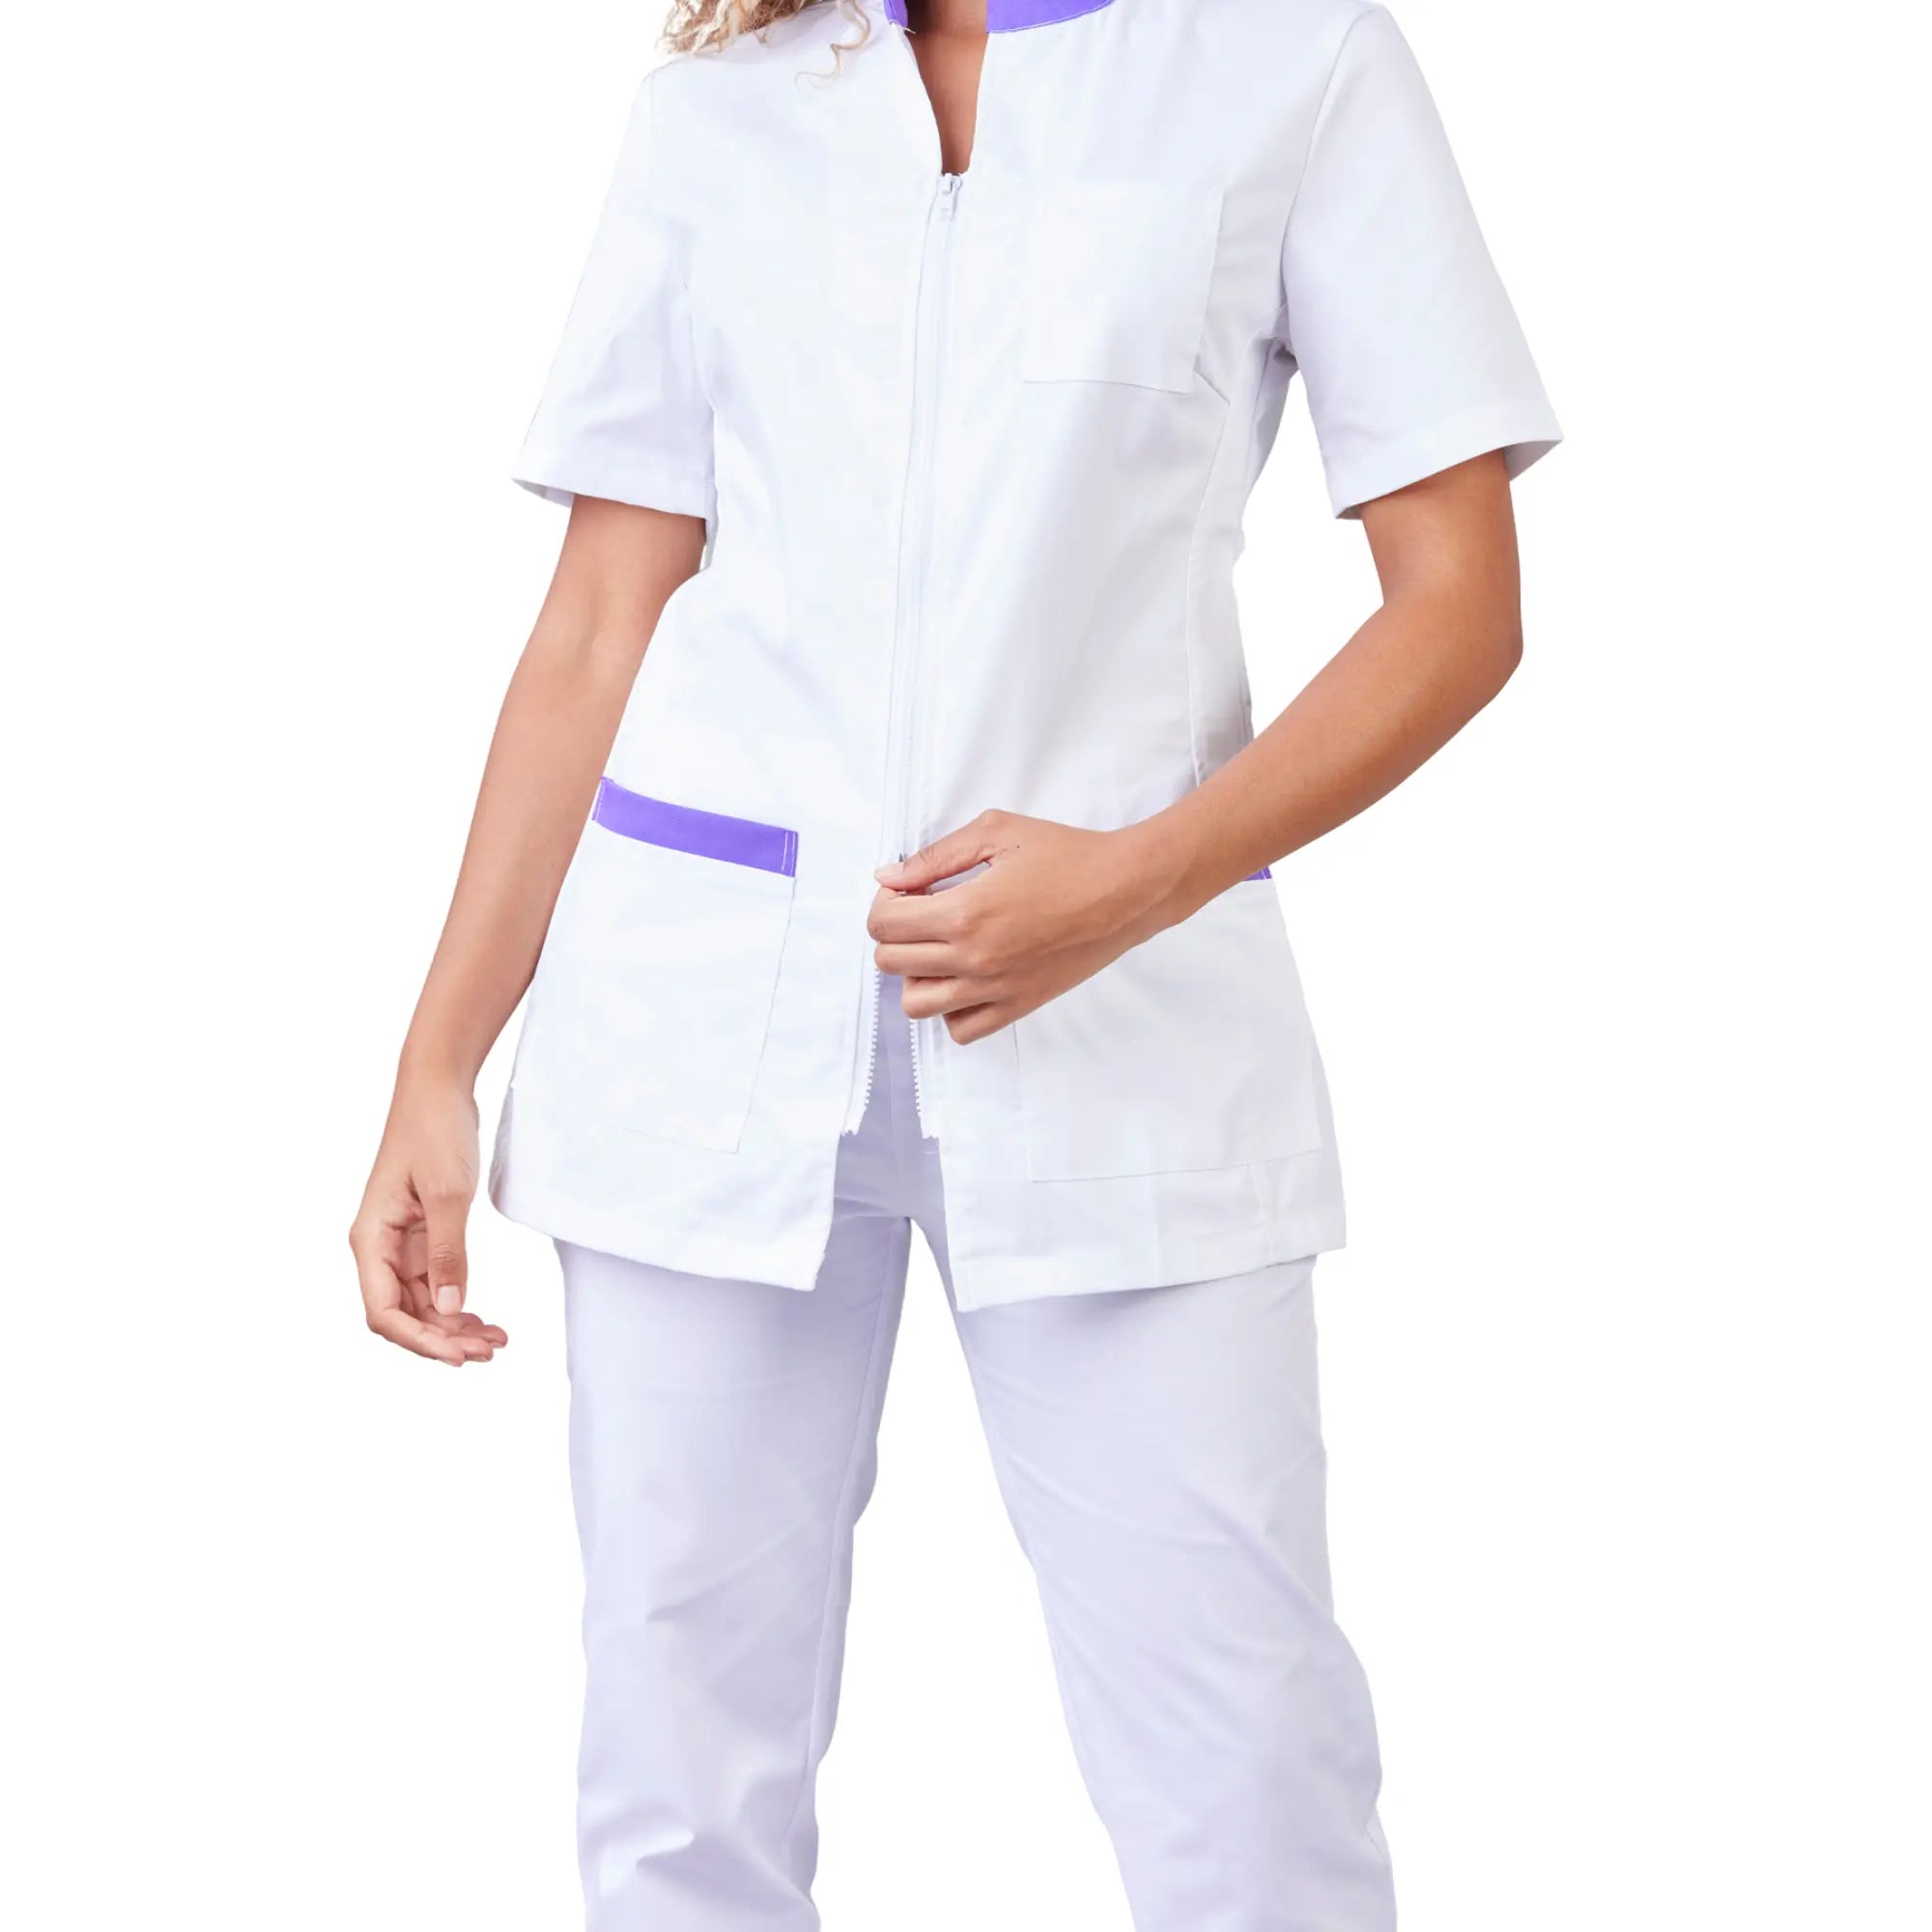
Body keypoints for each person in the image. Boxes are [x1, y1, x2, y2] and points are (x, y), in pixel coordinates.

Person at [350, 0, 1559, 1921]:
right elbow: (597, 618)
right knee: (676, 1789)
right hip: (701, 1026)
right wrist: (438, 1060)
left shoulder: (1289, 59)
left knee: (1247, 1784)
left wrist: (1137, 881)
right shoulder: (724, 104)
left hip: (1126, 1035)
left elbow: (1460, 604)